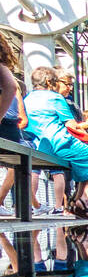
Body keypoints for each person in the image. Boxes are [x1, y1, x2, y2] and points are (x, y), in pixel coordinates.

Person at [23, 66, 88, 217]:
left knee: (83, 168)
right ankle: (84, 201)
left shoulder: (27, 99)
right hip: (60, 143)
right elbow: (72, 126)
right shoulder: (55, 98)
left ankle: (74, 204)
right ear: (50, 82)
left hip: (39, 146)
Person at [0, 39, 30, 218]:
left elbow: (11, 87)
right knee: (15, 161)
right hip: (9, 123)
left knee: (16, 160)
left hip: (6, 123)